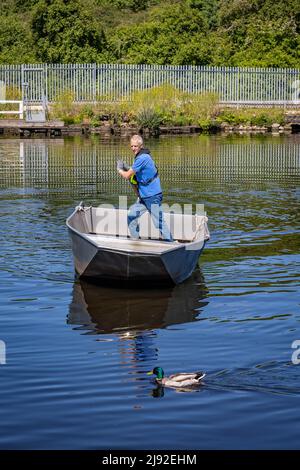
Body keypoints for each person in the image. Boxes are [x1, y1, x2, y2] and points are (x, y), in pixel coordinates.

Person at [117, 134, 173, 242]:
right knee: (131, 216)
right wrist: (126, 167)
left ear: (141, 146)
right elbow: (136, 172)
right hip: (144, 196)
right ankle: (136, 242)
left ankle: (171, 244)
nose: (133, 148)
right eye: (132, 146)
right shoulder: (141, 156)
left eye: (135, 146)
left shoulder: (142, 158)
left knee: (159, 222)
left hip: (152, 196)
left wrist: (119, 168)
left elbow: (127, 175)